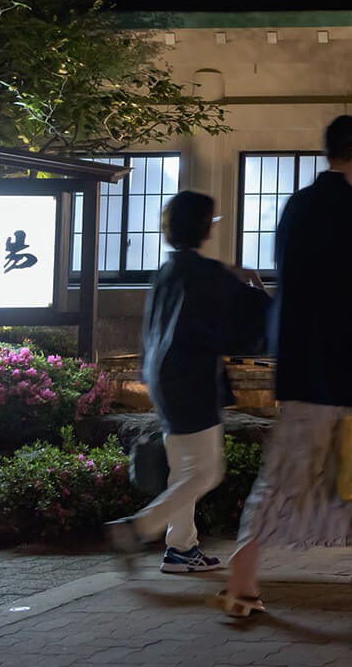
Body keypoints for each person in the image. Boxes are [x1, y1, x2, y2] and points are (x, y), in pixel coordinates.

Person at [219, 115, 352, 618]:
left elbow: (288, 283)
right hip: (343, 362)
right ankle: (244, 574)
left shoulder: (296, 205)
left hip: (299, 361)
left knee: (297, 470)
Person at [108, 191, 269, 573]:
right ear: (203, 228)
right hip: (195, 380)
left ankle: (180, 547)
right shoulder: (207, 274)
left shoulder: (168, 271)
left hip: (164, 380)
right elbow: (253, 318)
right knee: (207, 471)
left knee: (183, 469)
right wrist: (257, 286)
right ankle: (139, 528)